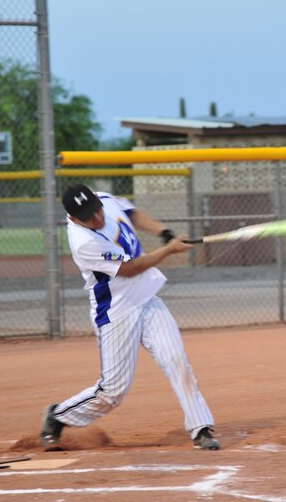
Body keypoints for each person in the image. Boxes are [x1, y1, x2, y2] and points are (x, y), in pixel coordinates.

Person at [39, 184, 220, 450]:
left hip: (147, 297)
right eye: (90, 217)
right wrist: (169, 250)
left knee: (176, 359)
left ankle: (201, 427)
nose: (98, 218)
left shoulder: (103, 199)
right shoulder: (83, 242)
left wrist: (164, 232)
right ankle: (59, 416)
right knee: (113, 392)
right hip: (116, 311)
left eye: (97, 210)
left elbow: (132, 213)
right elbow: (130, 268)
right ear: (74, 219)